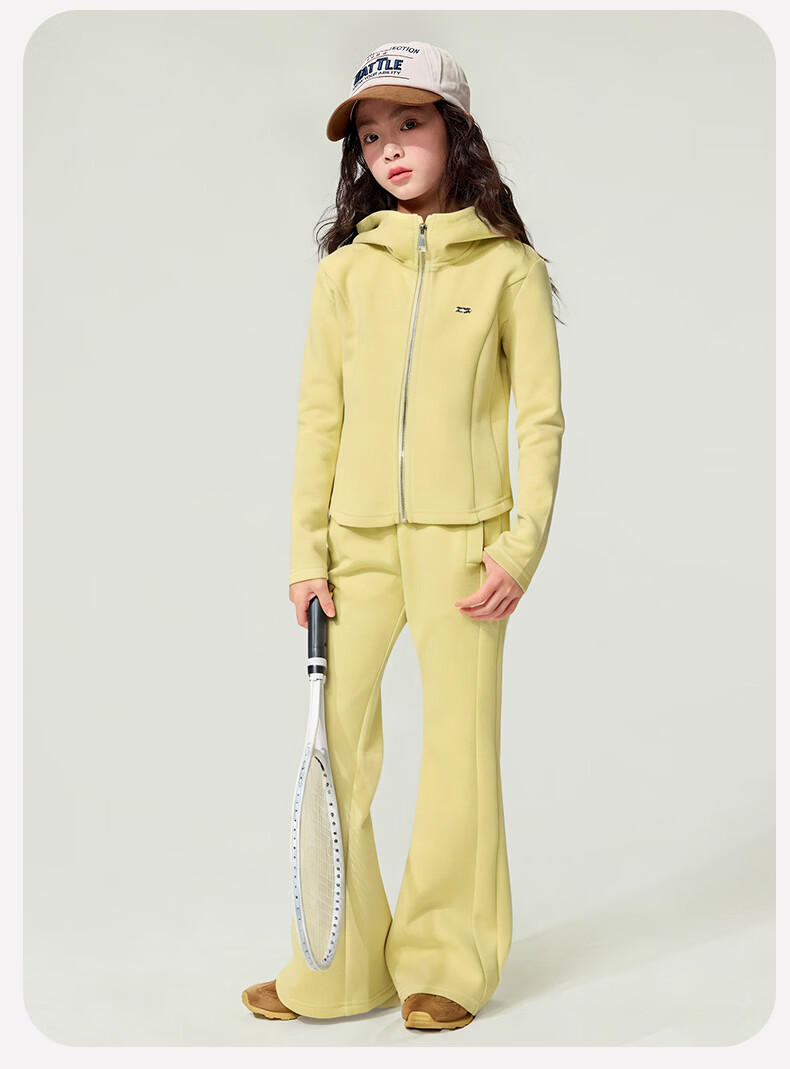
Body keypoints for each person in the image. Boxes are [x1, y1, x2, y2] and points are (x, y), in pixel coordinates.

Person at [242, 39, 565, 1031]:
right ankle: (333, 967)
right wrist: (305, 550)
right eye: (370, 135)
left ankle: (445, 964)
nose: (385, 147)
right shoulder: (345, 275)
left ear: (454, 132)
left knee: (459, 754)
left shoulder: (508, 269)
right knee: (330, 748)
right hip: (354, 548)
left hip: (465, 548)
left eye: (408, 124)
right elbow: (318, 417)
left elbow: (541, 420)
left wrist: (519, 546)